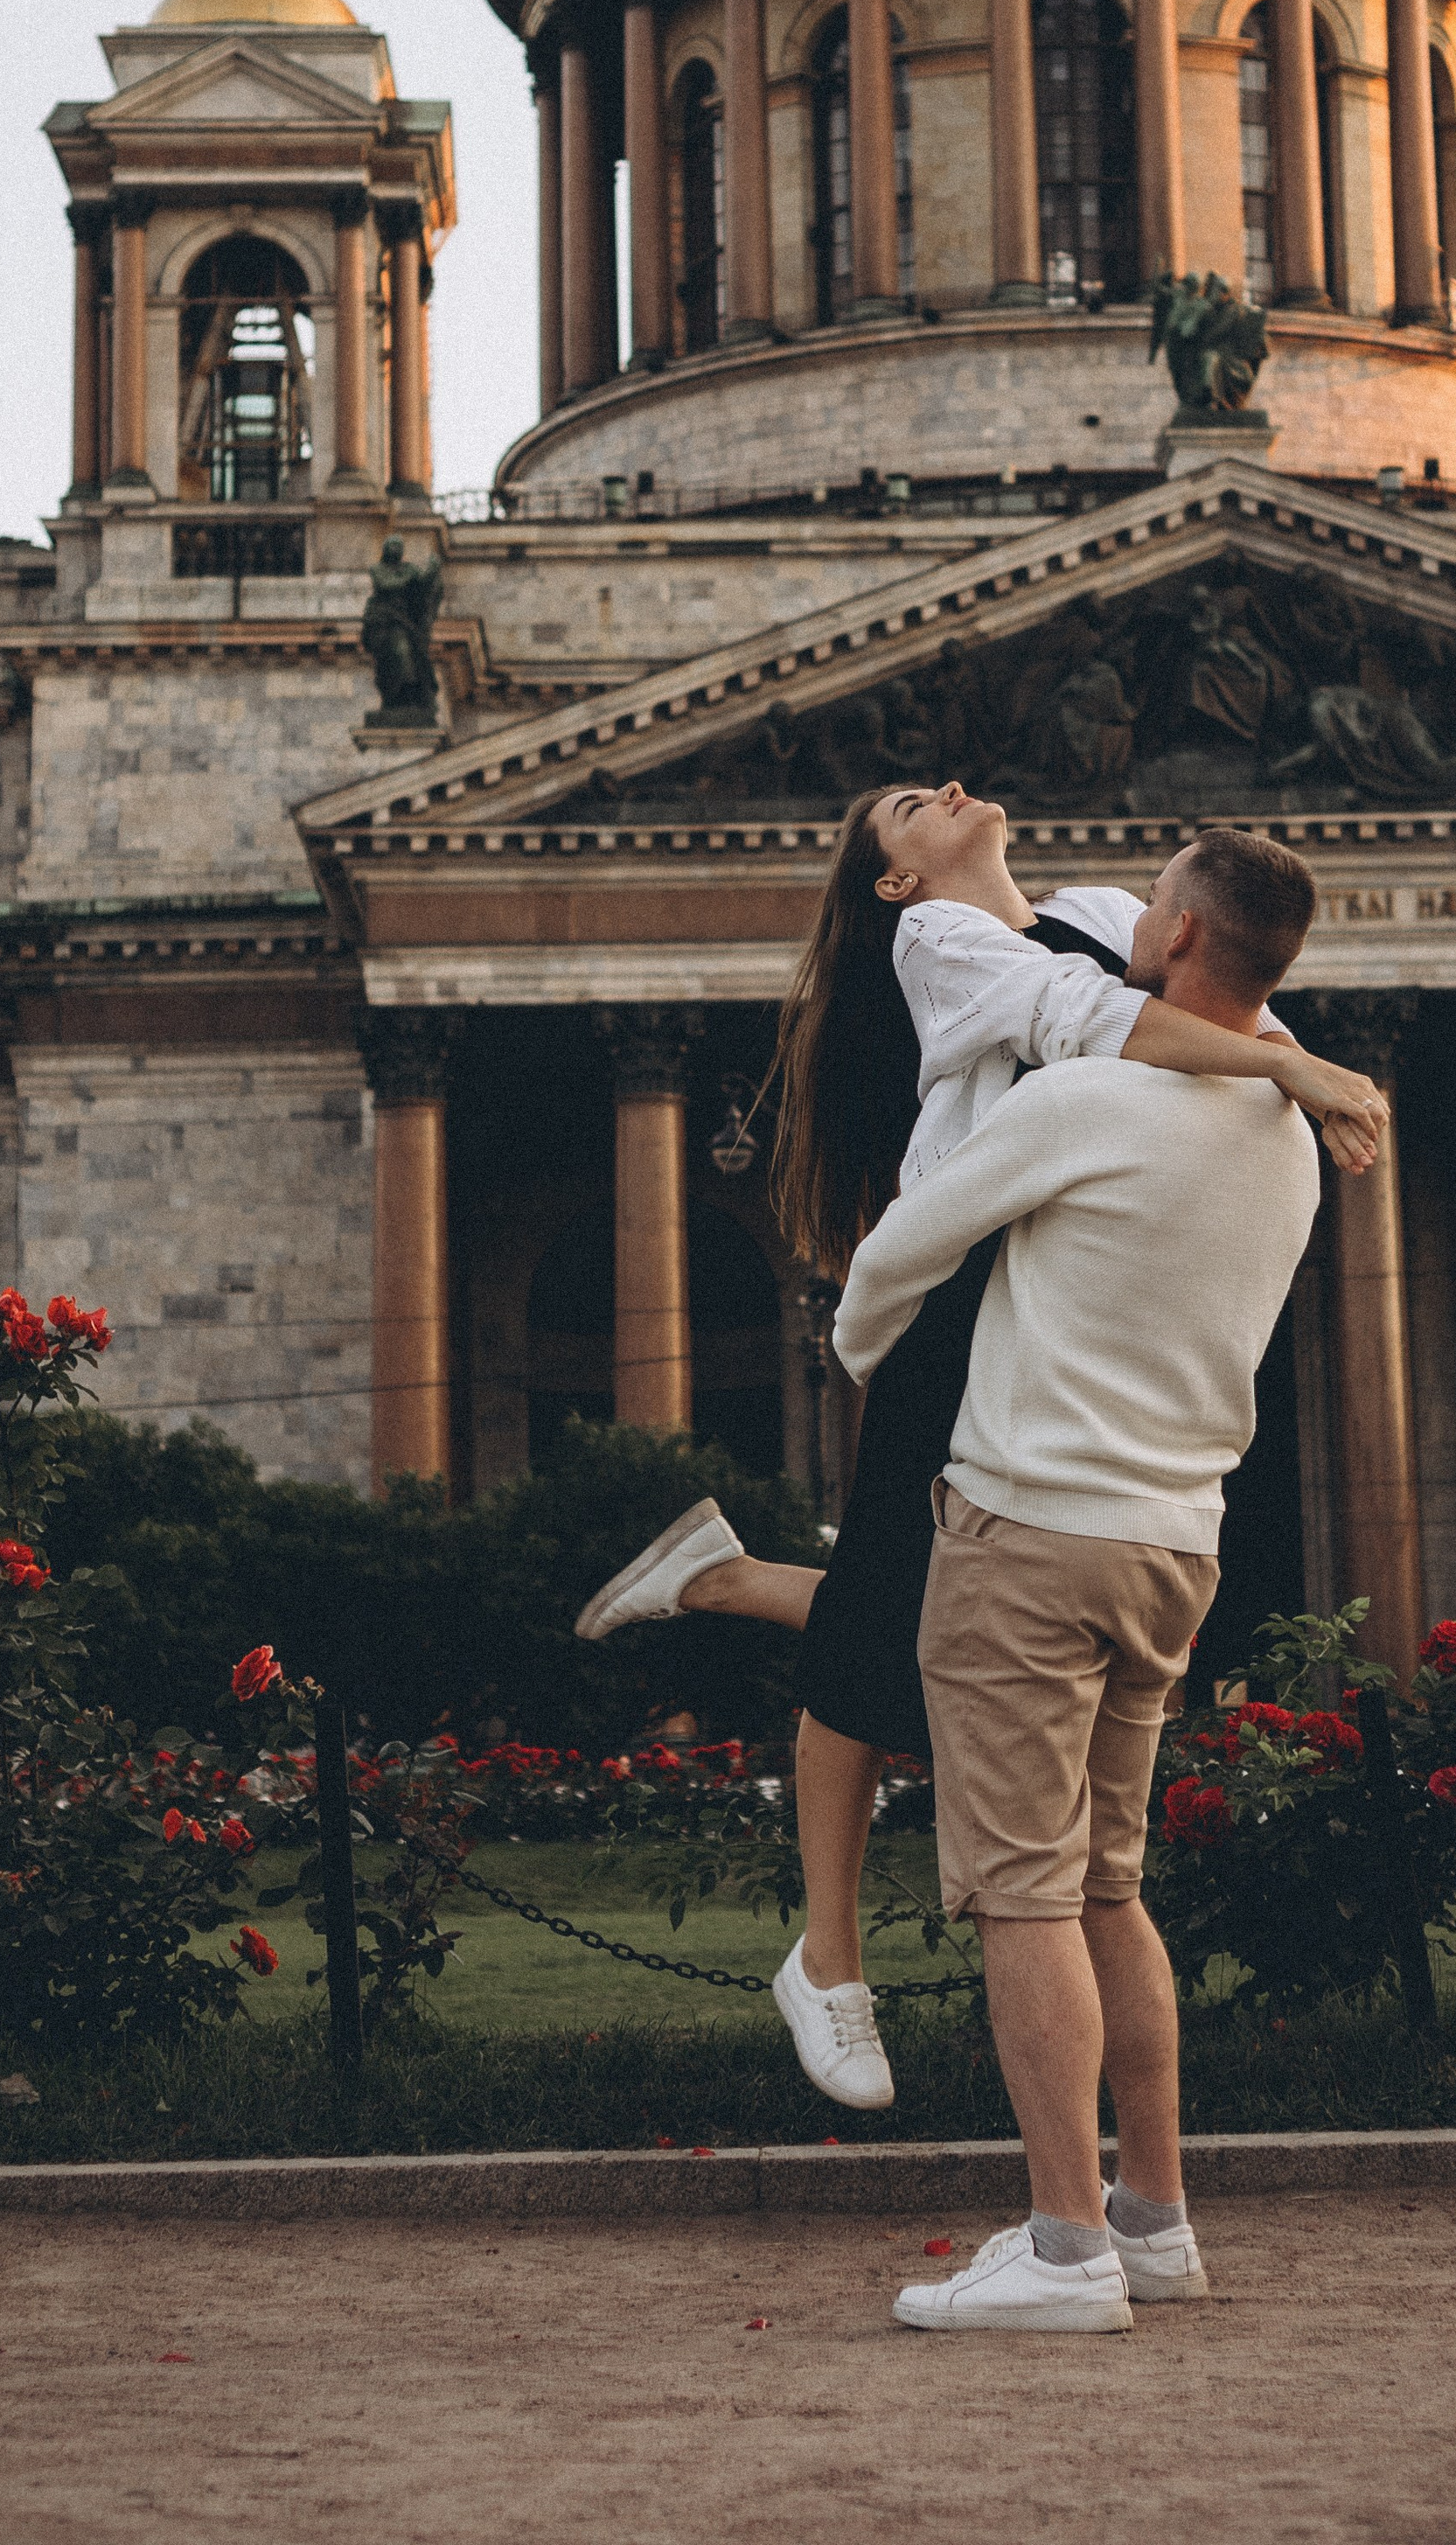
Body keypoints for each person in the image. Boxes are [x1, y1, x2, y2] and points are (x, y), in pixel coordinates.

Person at [573, 786, 1382, 2112]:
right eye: (907, 811)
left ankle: (720, 1581)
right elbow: (1112, 1026)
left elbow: (1225, 1005)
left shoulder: (1104, 912)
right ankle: (826, 1961)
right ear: (895, 881)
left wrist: (1284, 1060)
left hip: (1061, 1282)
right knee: (892, 1626)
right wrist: (1296, 1071)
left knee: (934, 1618)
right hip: (957, 1307)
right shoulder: (934, 945)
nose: (943, 792)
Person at [841, 829, 1325, 2332]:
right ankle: (1155, 2218)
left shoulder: (1087, 1105)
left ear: (1176, 935)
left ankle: (1064, 2251)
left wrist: (872, 1372)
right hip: (1178, 1540)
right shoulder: (1286, 1133)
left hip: (1029, 1538)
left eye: (1152, 894)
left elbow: (894, 1257)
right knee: (1111, 1881)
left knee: (1024, 1898)